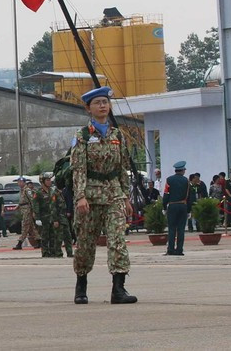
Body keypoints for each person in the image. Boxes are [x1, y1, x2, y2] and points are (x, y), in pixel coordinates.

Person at [71, 86, 136, 305]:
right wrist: (80, 196)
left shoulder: (117, 135)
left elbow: (122, 168)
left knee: (118, 240)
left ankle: (118, 288)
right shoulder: (83, 136)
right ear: (89, 108)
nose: (102, 106)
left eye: (105, 102)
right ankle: (81, 285)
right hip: (90, 195)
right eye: (97, 103)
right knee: (86, 243)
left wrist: (126, 197)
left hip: (114, 194)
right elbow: (78, 168)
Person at [163, 161, 191, 256]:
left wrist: (164, 206)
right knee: (181, 229)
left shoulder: (169, 180)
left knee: (171, 229)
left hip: (172, 206)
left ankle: (170, 249)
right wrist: (189, 210)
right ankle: (179, 250)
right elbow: (189, 196)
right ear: (182, 170)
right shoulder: (186, 181)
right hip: (183, 206)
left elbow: (166, 194)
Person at [32, 173, 61, 258]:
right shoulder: (38, 192)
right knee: (45, 237)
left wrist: (56, 219)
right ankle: (45, 253)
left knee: (53, 236)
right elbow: (35, 205)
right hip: (43, 218)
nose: (49, 182)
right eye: (47, 180)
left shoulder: (52, 191)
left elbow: (54, 206)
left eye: (50, 180)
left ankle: (53, 253)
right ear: (42, 181)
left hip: (51, 217)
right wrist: (37, 218)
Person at [13, 176, 40, 250]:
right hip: (23, 209)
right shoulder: (22, 190)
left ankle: (20, 243)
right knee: (31, 228)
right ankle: (39, 241)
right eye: (18, 182)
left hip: (27, 210)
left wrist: (34, 211)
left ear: (24, 182)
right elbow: (22, 200)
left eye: (20, 182)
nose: (19, 183)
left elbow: (31, 200)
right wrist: (18, 206)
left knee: (24, 226)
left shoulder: (27, 190)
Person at [56, 188, 74, 257]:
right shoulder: (54, 193)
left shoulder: (64, 192)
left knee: (68, 236)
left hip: (64, 217)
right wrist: (55, 219)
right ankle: (58, 253)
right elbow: (53, 207)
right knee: (59, 237)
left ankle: (69, 252)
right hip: (58, 217)